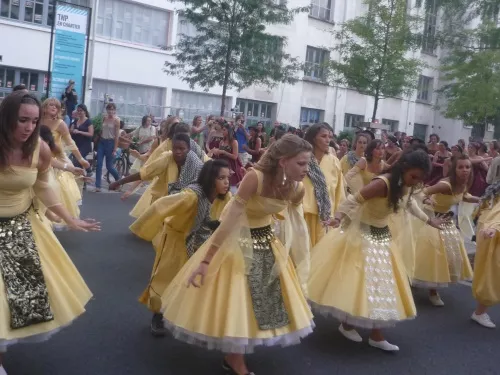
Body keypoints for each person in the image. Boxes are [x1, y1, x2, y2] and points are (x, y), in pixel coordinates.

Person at [159, 134, 314, 374]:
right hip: (236, 244)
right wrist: (207, 259)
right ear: (283, 161)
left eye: (308, 163)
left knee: (256, 304)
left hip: (267, 244)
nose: (306, 169)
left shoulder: (297, 188)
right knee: (236, 299)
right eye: (301, 163)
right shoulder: (255, 178)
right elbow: (230, 218)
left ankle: (234, 356)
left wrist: (293, 255)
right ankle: (235, 359)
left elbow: (296, 225)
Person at [0, 91, 99, 374]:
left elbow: (43, 185)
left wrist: (69, 218)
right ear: (7, 118)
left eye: (34, 121)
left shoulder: (39, 149)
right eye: (22, 120)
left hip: (18, 229)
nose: (29, 127)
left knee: (12, 300)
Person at [308, 148, 443, 352]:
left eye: (419, 179)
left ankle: (361, 329)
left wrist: (428, 220)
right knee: (365, 285)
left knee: (378, 286)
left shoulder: (403, 185)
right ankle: (368, 331)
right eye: (413, 176)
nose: (414, 182)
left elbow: (409, 204)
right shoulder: (383, 183)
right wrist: (337, 217)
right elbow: (354, 200)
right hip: (362, 238)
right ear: (404, 167)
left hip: (383, 238)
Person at [130, 159, 232, 336]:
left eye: (228, 178)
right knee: (166, 277)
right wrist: (143, 230)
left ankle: (190, 316)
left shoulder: (225, 197)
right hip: (176, 238)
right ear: (210, 178)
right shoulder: (190, 196)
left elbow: (229, 214)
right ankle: (158, 315)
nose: (226, 182)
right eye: (221, 178)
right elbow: (159, 206)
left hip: (202, 240)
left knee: (200, 278)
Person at [412, 155, 478, 306]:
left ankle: (428, 285)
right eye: (460, 167)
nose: (465, 170)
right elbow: (422, 192)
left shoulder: (463, 184)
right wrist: (427, 199)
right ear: (454, 169)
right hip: (431, 219)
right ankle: (432, 291)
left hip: (446, 222)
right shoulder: (445, 185)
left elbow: (464, 196)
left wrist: (481, 199)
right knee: (434, 256)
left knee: (448, 257)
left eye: (467, 167)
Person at [302, 122, 345, 246]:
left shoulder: (334, 162)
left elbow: (339, 193)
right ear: (313, 138)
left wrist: (338, 217)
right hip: (304, 215)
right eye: (323, 136)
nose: (328, 140)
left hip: (325, 219)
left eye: (330, 137)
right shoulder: (302, 159)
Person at [471, 180, 500, 328]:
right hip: (491, 233)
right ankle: (480, 313)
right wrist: (494, 229)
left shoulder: (495, 188)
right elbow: (497, 216)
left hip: (487, 230)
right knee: (491, 276)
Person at [95, 103, 120, 192]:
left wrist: (115, 149)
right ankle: (97, 186)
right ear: (107, 110)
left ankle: (119, 180)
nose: (110, 111)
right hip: (102, 142)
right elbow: (102, 130)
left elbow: (117, 136)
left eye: (112, 109)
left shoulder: (116, 120)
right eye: (109, 109)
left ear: (115, 111)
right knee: (99, 164)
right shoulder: (104, 118)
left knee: (109, 166)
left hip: (110, 142)